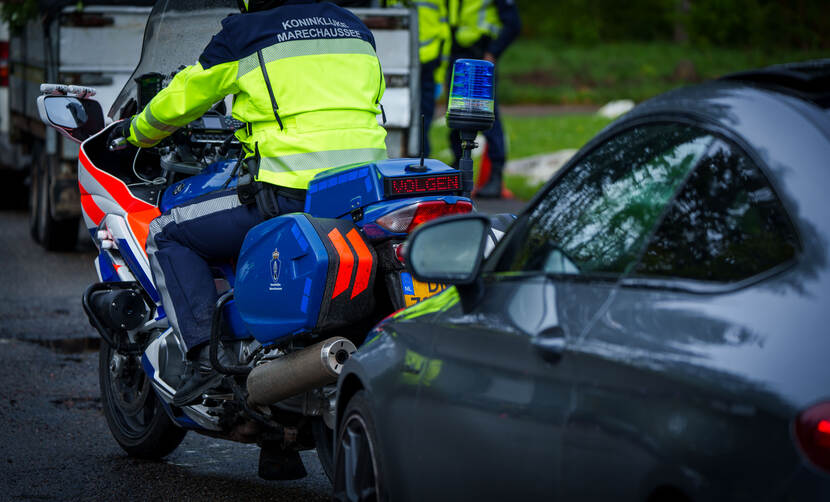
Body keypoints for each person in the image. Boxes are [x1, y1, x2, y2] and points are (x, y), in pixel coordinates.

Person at [110, 0, 388, 410]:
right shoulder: (354, 27)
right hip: (363, 193)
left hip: (289, 192)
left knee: (166, 232)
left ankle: (205, 361)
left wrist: (137, 131)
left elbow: (185, 96)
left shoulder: (246, 33)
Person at [447, 0, 520, 198]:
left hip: (480, 54)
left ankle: (495, 176)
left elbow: (513, 23)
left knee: (487, 115)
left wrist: (492, 52)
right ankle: (457, 175)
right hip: (458, 53)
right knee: (457, 115)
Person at [383, 0, 451, 157]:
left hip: (421, 61)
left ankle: (419, 158)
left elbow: (444, 32)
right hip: (411, 59)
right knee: (405, 114)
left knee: (421, 118)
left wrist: (439, 76)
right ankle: (416, 157)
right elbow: (444, 32)